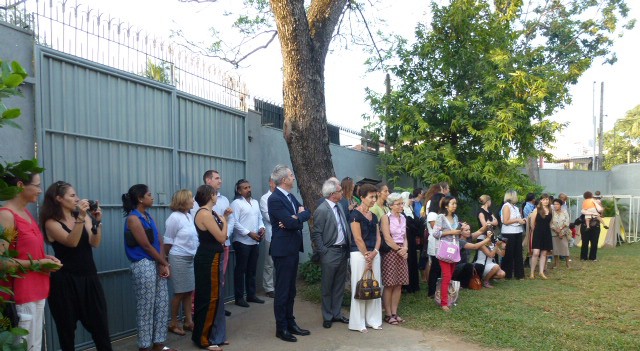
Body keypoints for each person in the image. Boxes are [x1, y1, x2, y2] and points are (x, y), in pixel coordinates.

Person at [40, 181, 112, 351]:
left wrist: (96, 224)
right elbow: (71, 242)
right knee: (66, 331)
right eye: (72, 196)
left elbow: (94, 243)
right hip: (65, 282)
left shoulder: (82, 216)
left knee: (100, 327)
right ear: (58, 199)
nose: (77, 199)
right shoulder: (51, 223)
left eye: (76, 195)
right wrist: (80, 217)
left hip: (89, 278)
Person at [0, 172, 62, 351]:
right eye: (37, 185)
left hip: (37, 292)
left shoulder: (26, 213)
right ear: (20, 185)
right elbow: (2, 262)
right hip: (19, 296)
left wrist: (45, 259)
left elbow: (27, 252)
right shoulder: (6, 215)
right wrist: (38, 264)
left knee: (34, 346)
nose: (40, 191)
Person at [122, 184, 175, 351]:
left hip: (155, 262)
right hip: (143, 264)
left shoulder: (147, 216)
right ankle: (144, 346)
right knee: (146, 306)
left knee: (161, 303)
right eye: (149, 195)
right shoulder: (133, 218)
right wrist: (164, 262)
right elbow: (145, 245)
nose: (152, 197)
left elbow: (158, 239)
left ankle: (158, 343)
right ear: (140, 198)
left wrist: (161, 261)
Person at [267, 164, 311, 342]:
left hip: (292, 248)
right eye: (291, 175)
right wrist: (295, 219)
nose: (293, 177)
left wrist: (296, 218)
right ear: (284, 179)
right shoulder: (275, 199)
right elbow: (292, 222)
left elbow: (306, 212)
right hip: (282, 250)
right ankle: (281, 327)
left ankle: (291, 322)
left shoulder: (291, 196)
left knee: (291, 290)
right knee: (283, 290)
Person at [432, 196, 490, 311]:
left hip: (454, 249)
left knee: (450, 275)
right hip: (444, 250)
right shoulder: (440, 217)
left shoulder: (455, 217)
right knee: (447, 276)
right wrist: (451, 232)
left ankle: (448, 297)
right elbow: (435, 233)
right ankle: (444, 303)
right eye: (452, 203)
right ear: (446, 205)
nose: (455, 206)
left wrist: (460, 228)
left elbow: (458, 233)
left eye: (455, 204)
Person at [192, 185, 230, 351]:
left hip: (213, 256)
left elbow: (223, 236)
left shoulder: (212, 213)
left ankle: (214, 335)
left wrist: (223, 223)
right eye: (215, 194)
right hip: (209, 259)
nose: (217, 196)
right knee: (209, 298)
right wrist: (226, 222)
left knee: (215, 297)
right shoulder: (205, 214)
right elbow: (222, 237)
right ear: (210, 196)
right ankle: (204, 339)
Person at [310, 177, 351, 329]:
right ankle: (327, 316)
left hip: (342, 251)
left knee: (339, 285)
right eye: (340, 191)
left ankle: (337, 313)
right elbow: (316, 233)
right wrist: (323, 251)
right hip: (330, 252)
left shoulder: (339, 206)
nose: (342, 193)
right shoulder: (322, 210)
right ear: (333, 193)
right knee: (327, 286)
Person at [192, 170, 234, 316]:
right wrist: (223, 224)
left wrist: (225, 231)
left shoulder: (223, 200)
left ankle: (218, 306)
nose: (220, 181)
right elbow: (198, 226)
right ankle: (200, 313)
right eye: (217, 178)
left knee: (219, 279)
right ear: (208, 181)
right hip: (208, 247)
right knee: (207, 284)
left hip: (222, 245)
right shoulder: (199, 205)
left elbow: (228, 221)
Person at [163, 189, 198, 336]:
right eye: (191, 198)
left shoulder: (188, 216)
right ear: (183, 200)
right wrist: (165, 260)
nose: (193, 201)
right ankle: (173, 322)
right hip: (178, 258)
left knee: (189, 291)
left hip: (189, 258)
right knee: (179, 292)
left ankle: (188, 321)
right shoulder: (174, 218)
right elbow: (168, 240)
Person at [348, 183, 382, 332]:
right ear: (362, 197)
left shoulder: (374, 216)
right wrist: (367, 255)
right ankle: (358, 323)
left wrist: (374, 251)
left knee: (374, 286)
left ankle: (373, 320)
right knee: (360, 287)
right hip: (358, 254)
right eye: (371, 197)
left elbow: (378, 236)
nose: (374, 199)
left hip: (374, 254)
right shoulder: (354, 215)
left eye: (375, 196)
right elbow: (357, 238)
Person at [230, 179, 266, 307]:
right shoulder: (236, 203)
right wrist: (249, 233)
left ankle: (251, 295)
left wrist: (262, 228)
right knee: (241, 270)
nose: (249, 189)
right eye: (245, 188)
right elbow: (234, 222)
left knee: (252, 270)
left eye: (249, 187)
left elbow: (260, 218)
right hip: (242, 242)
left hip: (255, 242)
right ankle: (239, 298)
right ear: (239, 191)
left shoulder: (255, 202)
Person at [379, 193, 409, 325]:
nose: (401, 206)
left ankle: (395, 313)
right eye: (398, 204)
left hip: (402, 250)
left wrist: (405, 249)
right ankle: (388, 314)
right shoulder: (386, 218)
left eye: (402, 203)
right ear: (391, 205)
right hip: (391, 251)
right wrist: (399, 250)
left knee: (399, 283)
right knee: (390, 283)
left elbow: (405, 237)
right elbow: (387, 238)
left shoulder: (403, 218)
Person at [500, 190, 526, 280]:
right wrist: (517, 220)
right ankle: (506, 273)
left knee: (518, 253)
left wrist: (522, 220)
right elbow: (505, 221)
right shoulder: (506, 206)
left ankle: (519, 274)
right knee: (509, 253)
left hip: (517, 231)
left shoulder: (515, 207)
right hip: (509, 232)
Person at [529, 194, 552, 280]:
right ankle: (532, 272)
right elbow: (532, 224)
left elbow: (549, 222)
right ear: (541, 200)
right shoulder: (536, 210)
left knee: (544, 253)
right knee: (535, 253)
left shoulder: (550, 210)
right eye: (544, 199)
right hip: (537, 233)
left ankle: (541, 272)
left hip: (547, 233)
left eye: (547, 199)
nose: (546, 201)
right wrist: (535, 232)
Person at [259, 178, 276, 298]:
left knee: (282, 262)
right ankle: (269, 287)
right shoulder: (265, 198)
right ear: (270, 182)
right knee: (270, 263)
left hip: (284, 235)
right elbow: (269, 217)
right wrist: (286, 219)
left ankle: (280, 285)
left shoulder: (285, 196)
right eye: (275, 181)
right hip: (272, 234)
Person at [550, 198, 571, 269]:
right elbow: (550, 223)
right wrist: (556, 230)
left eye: (557, 204)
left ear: (561, 205)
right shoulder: (552, 213)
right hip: (554, 233)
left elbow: (567, 222)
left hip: (564, 233)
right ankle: (556, 264)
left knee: (565, 248)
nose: (555, 206)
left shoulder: (565, 212)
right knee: (555, 249)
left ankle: (568, 264)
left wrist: (561, 230)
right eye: (554, 204)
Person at [425, 211, 441, 298]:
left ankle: (436, 289)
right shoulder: (432, 214)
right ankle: (431, 291)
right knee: (435, 268)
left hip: (439, 244)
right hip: (434, 244)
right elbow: (434, 227)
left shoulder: (439, 215)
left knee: (438, 269)